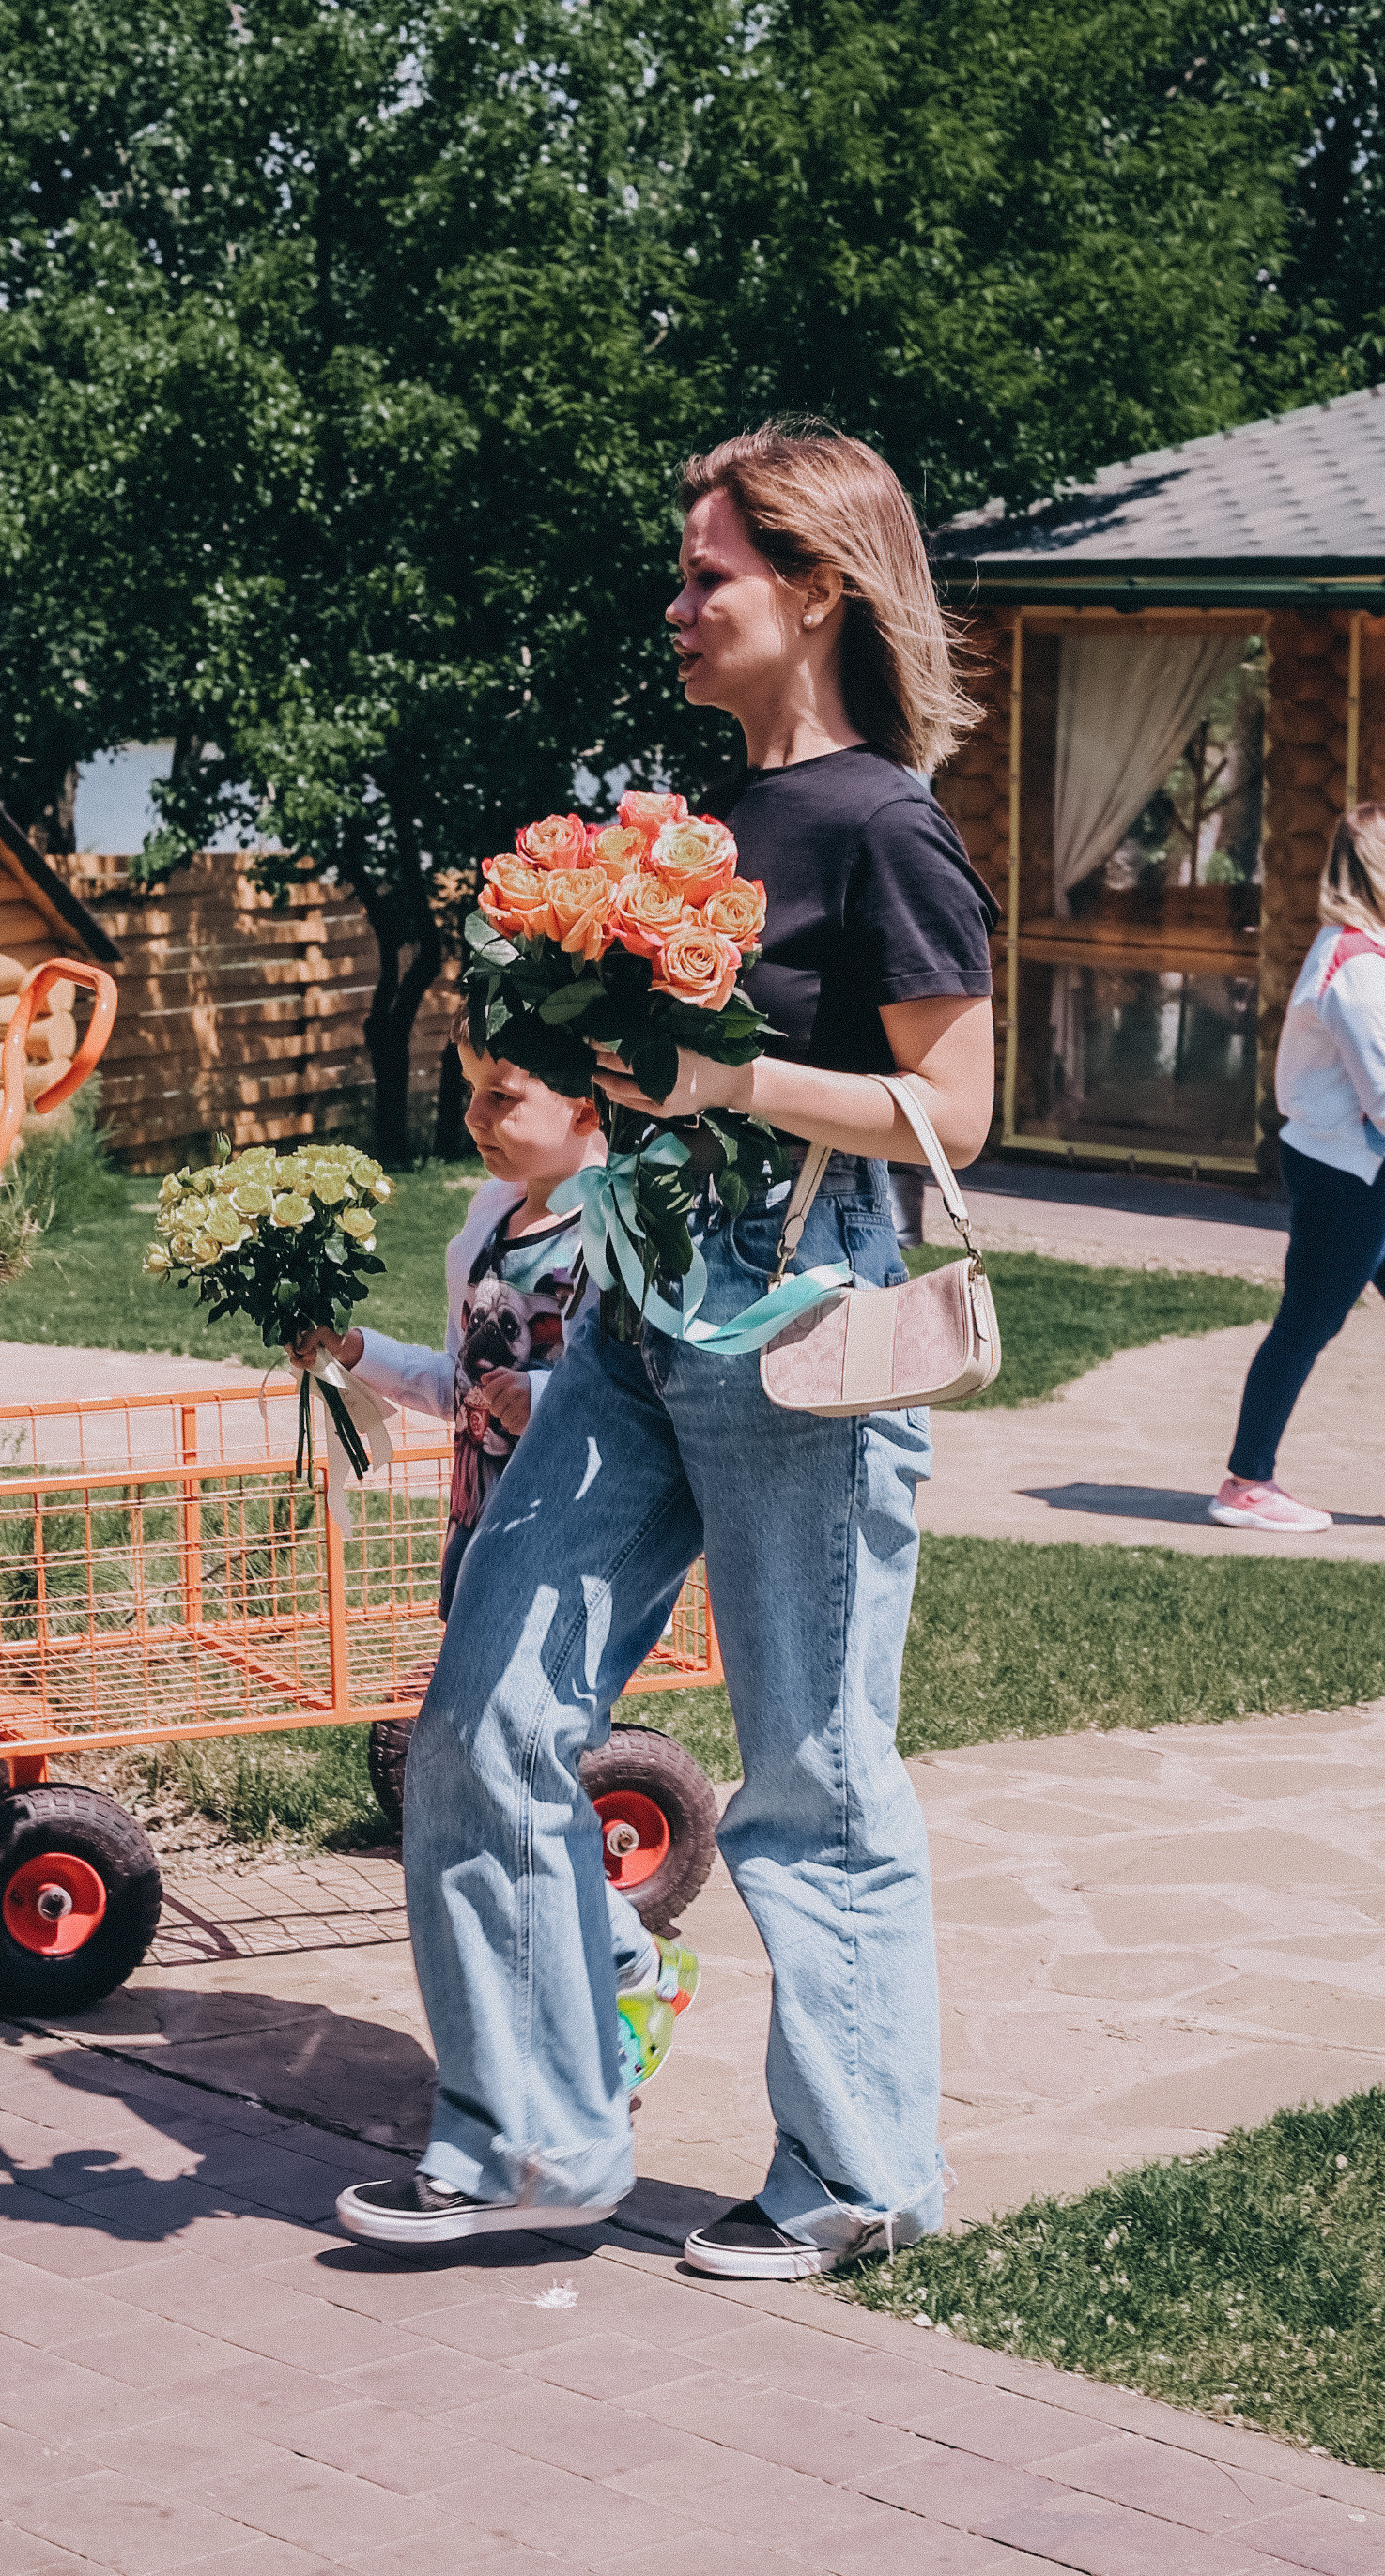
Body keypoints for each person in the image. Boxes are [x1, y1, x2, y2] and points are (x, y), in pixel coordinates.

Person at [336, 417, 996, 2269]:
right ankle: (533, 2140)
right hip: (631, 1309)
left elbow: (960, 1102)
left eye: (709, 572)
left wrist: (729, 1073)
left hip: (799, 1324)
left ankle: (855, 2177)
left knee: (807, 1771)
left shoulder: (877, 821)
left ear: (813, 591)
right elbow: (653, 1079)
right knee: (482, 1714)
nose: (678, 600)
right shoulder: (703, 826)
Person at [289, 1036, 698, 2092]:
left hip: (570, 1541)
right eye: (471, 1090)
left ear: (587, 1114)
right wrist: (352, 1352)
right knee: (494, 1771)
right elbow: (455, 1378)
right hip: (482, 1531)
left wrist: (549, 1400)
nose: (475, 1112)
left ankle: (625, 1971)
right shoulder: (485, 1225)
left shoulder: (606, 1236)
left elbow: (650, 1392)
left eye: (502, 1096)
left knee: (519, 1769)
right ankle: (585, 1993)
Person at [1211, 804, 1385, 1536]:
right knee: (1305, 1324)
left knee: (1307, 1322)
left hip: (1362, 1166)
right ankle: (1245, 1483)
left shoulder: (1364, 952)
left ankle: (1246, 1478)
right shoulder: (1357, 970)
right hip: (1342, 1172)